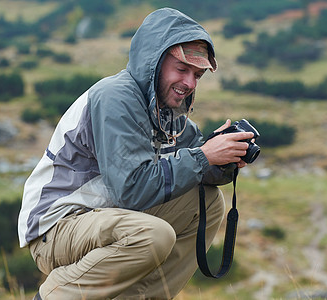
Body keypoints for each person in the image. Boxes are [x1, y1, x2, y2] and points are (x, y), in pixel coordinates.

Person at [18, 7, 254, 300]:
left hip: (106, 217)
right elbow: (132, 189)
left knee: (208, 202)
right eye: (182, 70)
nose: (190, 84)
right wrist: (204, 155)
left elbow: (195, 172)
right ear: (153, 62)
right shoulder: (115, 99)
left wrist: (222, 161)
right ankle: (56, 296)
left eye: (197, 75)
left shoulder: (171, 114)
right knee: (154, 235)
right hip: (56, 226)